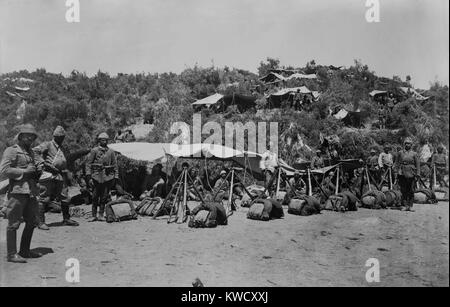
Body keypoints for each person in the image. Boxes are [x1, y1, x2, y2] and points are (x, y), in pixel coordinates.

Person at [0, 124, 43, 262]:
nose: (30, 138)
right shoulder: (11, 151)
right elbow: (4, 170)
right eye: (27, 135)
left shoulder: (31, 152)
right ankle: (11, 254)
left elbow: (35, 167)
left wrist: (38, 170)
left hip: (31, 192)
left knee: (32, 221)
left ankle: (24, 251)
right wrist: (24, 172)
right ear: (20, 136)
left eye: (32, 136)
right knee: (13, 223)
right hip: (17, 192)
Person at [33, 126, 79, 229]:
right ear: (55, 136)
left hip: (60, 174)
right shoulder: (47, 144)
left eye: (62, 137)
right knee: (44, 197)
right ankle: (40, 222)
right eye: (59, 137)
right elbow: (34, 152)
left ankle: (66, 219)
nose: (61, 138)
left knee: (65, 196)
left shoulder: (62, 147)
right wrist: (42, 163)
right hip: (48, 174)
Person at [86, 132, 119, 221]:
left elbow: (115, 165)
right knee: (94, 196)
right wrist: (89, 177)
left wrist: (115, 177)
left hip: (107, 177)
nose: (104, 141)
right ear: (99, 141)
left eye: (106, 140)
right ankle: (93, 215)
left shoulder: (111, 152)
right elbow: (88, 164)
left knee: (104, 197)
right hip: (96, 177)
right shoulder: (94, 151)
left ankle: (101, 214)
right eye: (102, 140)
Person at [395, 137, 420, 211]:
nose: (407, 145)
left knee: (411, 190)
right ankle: (405, 205)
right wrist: (396, 172)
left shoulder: (414, 154)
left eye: (409, 143)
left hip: (411, 173)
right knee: (403, 190)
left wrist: (418, 174)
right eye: (406, 143)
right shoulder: (400, 153)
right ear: (404, 144)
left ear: (411, 145)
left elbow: (418, 164)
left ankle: (410, 206)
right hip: (402, 173)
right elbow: (396, 163)